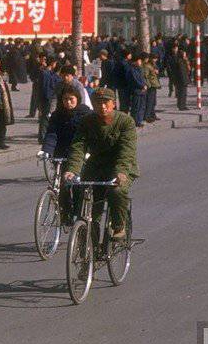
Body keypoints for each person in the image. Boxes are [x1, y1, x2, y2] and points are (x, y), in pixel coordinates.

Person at [63, 87, 138, 241]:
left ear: (114, 104)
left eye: (106, 102)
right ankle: (90, 237)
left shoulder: (125, 121)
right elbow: (78, 147)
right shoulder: (87, 121)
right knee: (84, 195)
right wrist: (72, 170)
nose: (102, 106)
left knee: (116, 192)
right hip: (96, 166)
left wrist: (121, 172)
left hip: (121, 167)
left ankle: (119, 225)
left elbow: (127, 151)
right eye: (98, 103)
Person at [40, 84, 93, 224]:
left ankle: (77, 214)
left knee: (76, 185)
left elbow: (89, 136)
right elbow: (52, 134)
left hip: (80, 154)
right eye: (65, 99)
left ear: (78, 99)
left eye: (71, 99)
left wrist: (88, 152)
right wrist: (46, 151)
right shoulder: (57, 115)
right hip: (61, 154)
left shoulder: (85, 114)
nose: (68, 102)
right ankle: (65, 213)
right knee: (62, 185)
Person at [127, 53, 148, 127]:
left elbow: (143, 78)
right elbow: (135, 80)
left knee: (142, 106)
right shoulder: (132, 69)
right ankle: (135, 121)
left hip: (142, 90)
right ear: (135, 61)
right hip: (136, 90)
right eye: (139, 61)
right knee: (136, 107)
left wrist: (145, 85)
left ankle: (140, 120)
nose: (140, 62)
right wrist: (142, 86)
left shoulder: (140, 69)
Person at [142, 54, 161, 123]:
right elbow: (146, 76)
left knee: (153, 101)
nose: (155, 60)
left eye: (156, 59)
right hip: (151, 85)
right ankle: (147, 116)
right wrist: (148, 85)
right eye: (154, 59)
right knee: (149, 101)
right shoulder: (147, 66)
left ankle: (152, 114)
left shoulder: (153, 65)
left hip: (154, 84)